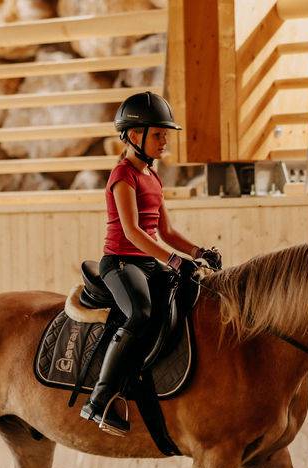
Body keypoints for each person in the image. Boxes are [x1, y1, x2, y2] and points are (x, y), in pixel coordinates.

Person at [79, 91, 222, 436]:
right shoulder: (123, 176)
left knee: (190, 292)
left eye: (165, 135)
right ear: (133, 135)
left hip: (148, 261)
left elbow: (166, 230)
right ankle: (98, 400)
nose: (164, 141)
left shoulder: (152, 177)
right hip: (121, 263)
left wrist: (198, 252)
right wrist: (174, 260)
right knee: (140, 312)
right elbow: (131, 232)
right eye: (158, 135)